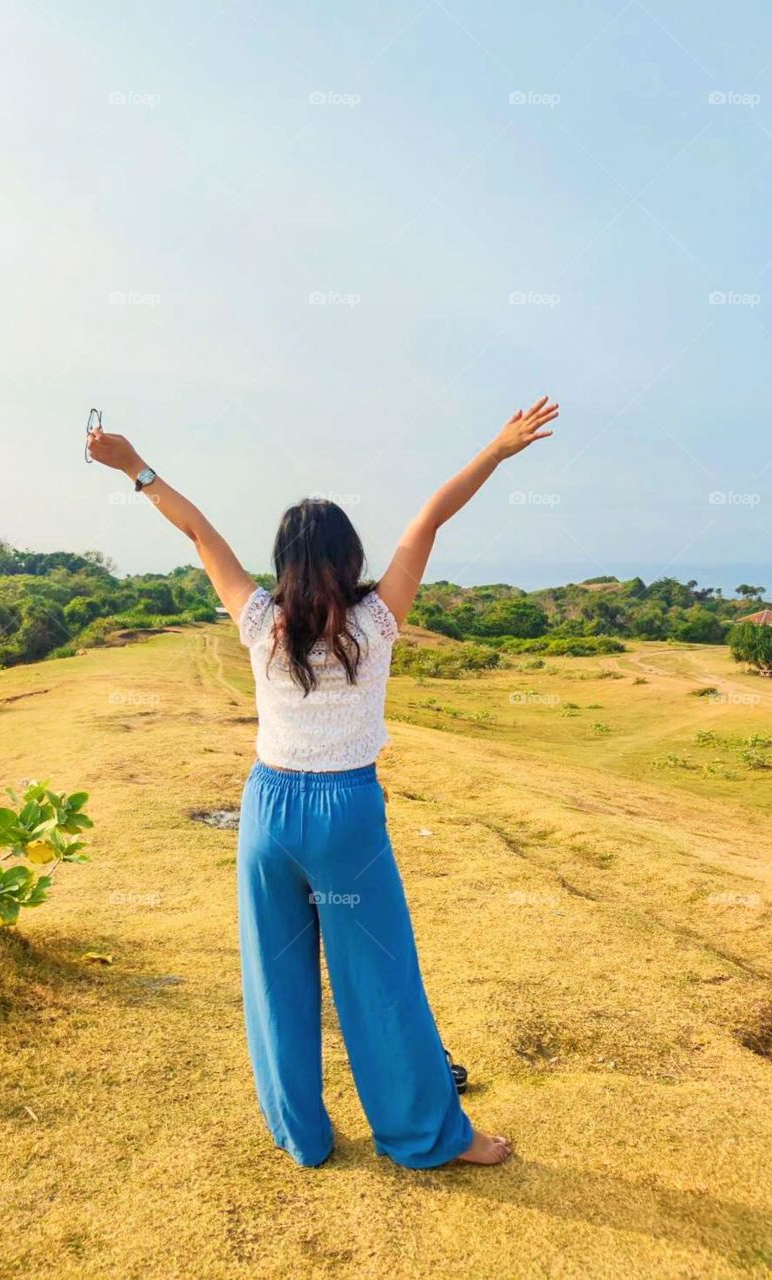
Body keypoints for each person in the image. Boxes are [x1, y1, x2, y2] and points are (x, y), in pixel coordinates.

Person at [88, 395, 558, 1168]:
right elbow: (430, 519)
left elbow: (199, 531)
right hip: (346, 814)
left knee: (276, 977)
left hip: (268, 813)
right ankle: (424, 1135)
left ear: (283, 564)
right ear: (347, 560)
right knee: (380, 977)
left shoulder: (259, 621)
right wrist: (498, 450)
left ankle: (302, 1135)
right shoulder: (376, 623)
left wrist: (134, 466)